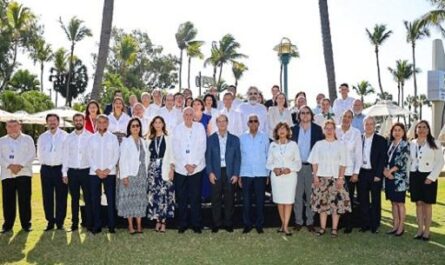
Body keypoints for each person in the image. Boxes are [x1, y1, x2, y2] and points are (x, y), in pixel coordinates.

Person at [308, 119, 351, 237]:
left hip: (336, 180)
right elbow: (314, 162)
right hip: (321, 179)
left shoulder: (340, 145)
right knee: (323, 206)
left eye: (331, 128)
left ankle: (334, 229)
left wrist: (341, 178)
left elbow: (343, 163)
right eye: (327, 128)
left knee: (335, 206)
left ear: (334, 130)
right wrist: (315, 177)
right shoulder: (318, 144)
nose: (329, 130)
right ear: (324, 130)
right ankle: (322, 228)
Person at [172, 107, 207, 233]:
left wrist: (194, 164)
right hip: (181, 169)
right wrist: (185, 164)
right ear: (183, 116)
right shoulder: (177, 129)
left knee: (195, 197)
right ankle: (182, 224)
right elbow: (175, 148)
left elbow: (202, 147)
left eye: (190, 114)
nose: (188, 116)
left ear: (194, 115)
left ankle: (196, 224)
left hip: (197, 169)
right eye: (186, 114)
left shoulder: (200, 127)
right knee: (181, 198)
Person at [409, 120, 444, 241]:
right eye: (419, 127)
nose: (422, 129)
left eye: (424, 127)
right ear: (416, 130)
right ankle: (419, 229)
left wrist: (431, 177)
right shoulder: (412, 143)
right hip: (415, 175)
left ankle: (427, 231)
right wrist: (409, 177)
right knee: (418, 203)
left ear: (428, 130)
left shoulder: (435, 143)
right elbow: (410, 161)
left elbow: (440, 161)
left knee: (427, 204)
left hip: (428, 176)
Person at [206, 114, 241, 233]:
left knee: (229, 199)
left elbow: (237, 158)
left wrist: (236, 174)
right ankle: (216, 223)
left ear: (227, 123)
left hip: (229, 172)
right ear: (216, 123)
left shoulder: (235, 139)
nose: (221, 123)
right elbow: (208, 158)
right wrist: (210, 172)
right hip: (216, 172)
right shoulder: (211, 139)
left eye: (224, 121)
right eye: (219, 121)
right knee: (215, 199)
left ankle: (228, 223)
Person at [291, 106, 324, 232]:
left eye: (307, 113)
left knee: (311, 196)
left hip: (312, 167)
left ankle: (310, 221)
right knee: (298, 195)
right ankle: (298, 221)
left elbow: (320, 150)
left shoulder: (317, 129)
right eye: (302, 113)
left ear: (311, 115)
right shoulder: (293, 130)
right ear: (299, 116)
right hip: (297, 167)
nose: (305, 115)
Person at [0, 120, 35, 233]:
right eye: (10, 126)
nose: (13, 128)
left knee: (24, 200)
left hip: (24, 173)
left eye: (15, 126)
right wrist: (9, 166)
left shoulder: (28, 139)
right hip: (7, 174)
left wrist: (20, 166)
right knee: (7, 201)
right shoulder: (1, 141)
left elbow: (32, 154)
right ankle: (8, 225)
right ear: (6, 128)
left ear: (20, 126)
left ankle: (26, 224)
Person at [266, 122, 302, 236]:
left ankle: (285, 226)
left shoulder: (293, 145)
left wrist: (290, 169)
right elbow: (268, 163)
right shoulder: (272, 145)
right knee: (280, 201)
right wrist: (274, 168)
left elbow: (298, 163)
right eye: (279, 129)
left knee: (288, 201)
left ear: (288, 131)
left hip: (290, 177)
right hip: (277, 177)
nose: (282, 131)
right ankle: (283, 224)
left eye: (284, 129)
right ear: (276, 132)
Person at [88, 114, 120, 234]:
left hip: (109, 173)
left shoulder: (113, 138)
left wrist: (107, 169)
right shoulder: (91, 138)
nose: (102, 124)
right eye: (99, 122)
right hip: (94, 173)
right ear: (96, 123)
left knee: (111, 199)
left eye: (104, 122)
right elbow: (89, 156)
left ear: (107, 124)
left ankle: (112, 225)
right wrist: (97, 170)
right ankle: (97, 225)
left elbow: (116, 155)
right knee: (95, 200)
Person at [117, 118, 149, 234]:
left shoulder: (143, 141)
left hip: (141, 175)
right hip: (129, 175)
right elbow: (122, 160)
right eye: (133, 126)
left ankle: (139, 225)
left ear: (140, 128)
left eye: (137, 126)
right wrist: (124, 176)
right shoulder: (126, 141)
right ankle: (130, 225)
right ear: (129, 128)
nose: (135, 128)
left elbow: (146, 158)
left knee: (140, 200)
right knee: (129, 201)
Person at [239, 114, 270, 234]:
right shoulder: (242, 138)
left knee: (260, 200)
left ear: (258, 123)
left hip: (261, 173)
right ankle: (247, 224)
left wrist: (267, 173)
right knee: (246, 201)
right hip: (246, 173)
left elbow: (267, 155)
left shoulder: (264, 137)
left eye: (255, 121)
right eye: (250, 121)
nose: (253, 123)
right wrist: (240, 175)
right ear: (247, 123)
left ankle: (259, 224)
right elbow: (240, 157)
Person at [62, 114, 93, 232]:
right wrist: (64, 173)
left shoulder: (91, 136)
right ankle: (74, 223)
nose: (78, 122)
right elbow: (65, 156)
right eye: (76, 120)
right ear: (73, 122)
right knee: (74, 199)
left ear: (84, 121)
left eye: (80, 120)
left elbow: (92, 155)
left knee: (87, 198)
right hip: (72, 172)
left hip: (87, 171)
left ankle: (89, 223)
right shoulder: (68, 138)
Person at [37, 114, 69, 231]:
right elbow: (39, 153)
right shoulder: (42, 137)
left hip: (60, 169)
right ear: (47, 123)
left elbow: (67, 156)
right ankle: (50, 221)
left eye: (54, 120)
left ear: (58, 122)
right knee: (47, 196)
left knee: (61, 196)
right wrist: (44, 165)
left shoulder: (65, 136)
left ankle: (60, 222)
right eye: (50, 121)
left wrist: (64, 172)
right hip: (46, 169)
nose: (52, 123)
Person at [358, 116, 387, 234]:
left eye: (371, 124)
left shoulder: (381, 140)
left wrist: (378, 174)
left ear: (374, 126)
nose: (369, 126)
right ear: (363, 126)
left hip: (374, 174)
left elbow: (383, 159)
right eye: (367, 124)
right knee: (363, 200)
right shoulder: (359, 139)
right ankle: (365, 224)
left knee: (375, 200)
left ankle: (375, 224)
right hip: (362, 173)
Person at [147, 116, 175, 232]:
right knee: (154, 196)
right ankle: (157, 220)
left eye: (160, 122)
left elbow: (173, 154)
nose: (158, 125)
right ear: (153, 125)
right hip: (152, 170)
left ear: (163, 124)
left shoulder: (169, 138)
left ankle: (163, 221)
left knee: (164, 195)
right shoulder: (148, 138)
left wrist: (172, 169)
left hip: (165, 168)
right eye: (156, 123)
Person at [336, 109, 362, 233]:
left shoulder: (356, 133)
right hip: (335, 171)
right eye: (344, 116)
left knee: (348, 199)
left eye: (349, 117)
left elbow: (358, 154)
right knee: (337, 198)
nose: (346, 119)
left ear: (352, 119)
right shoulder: (335, 130)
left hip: (349, 171)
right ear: (341, 117)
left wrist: (356, 172)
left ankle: (348, 223)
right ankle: (338, 223)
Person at [384, 123, 410, 237]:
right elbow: (385, 159)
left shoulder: (405, 145)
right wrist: (385, 171)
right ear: (392, 132)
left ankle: (401, 227)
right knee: (393, 202)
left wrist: (390, 172)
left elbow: (401, 161)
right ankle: (394, 225)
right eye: (395, 130)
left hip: (399, 179)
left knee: (400, 203)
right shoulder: (390, 144)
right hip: (389, 178)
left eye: (399, 130)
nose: (397, 132)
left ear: (403, 132)